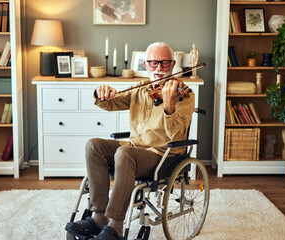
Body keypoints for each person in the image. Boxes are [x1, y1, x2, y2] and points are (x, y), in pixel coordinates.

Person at [66, 42, 195, 240]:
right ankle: (99, 216)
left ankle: (116, 226)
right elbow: (110, 103)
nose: (159, 69)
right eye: (153, 63)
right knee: (94, 145)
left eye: (164, 63)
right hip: (134, 149)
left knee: (124, 153)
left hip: (161, 156)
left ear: (173, 64)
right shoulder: (141, 90)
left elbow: (177, 137)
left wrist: (169, 108)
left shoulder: (183, 94)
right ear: (146, 64)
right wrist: (101, 92)